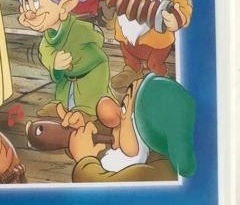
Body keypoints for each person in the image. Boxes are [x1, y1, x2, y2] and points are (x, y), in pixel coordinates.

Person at [58, 73, 196, 183]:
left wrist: (85, 160)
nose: (118, 115)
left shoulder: (155, 175)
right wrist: (83, 129)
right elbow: (113, 136)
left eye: (126, 109)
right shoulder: (143, 140)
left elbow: (100, 185)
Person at [17, 0, 110, 118]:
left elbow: (97, 37)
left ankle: (87, 112)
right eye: (26, 4)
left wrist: (83, 55)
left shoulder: (78, 28)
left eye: (36, 1)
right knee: (63, 92)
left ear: (63, 7)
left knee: (90, 100)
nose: (30, 13)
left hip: (92, 70)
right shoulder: (46, 42)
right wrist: (54, 61)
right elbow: (47, 56)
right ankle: (60, 106)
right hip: (67, 77)